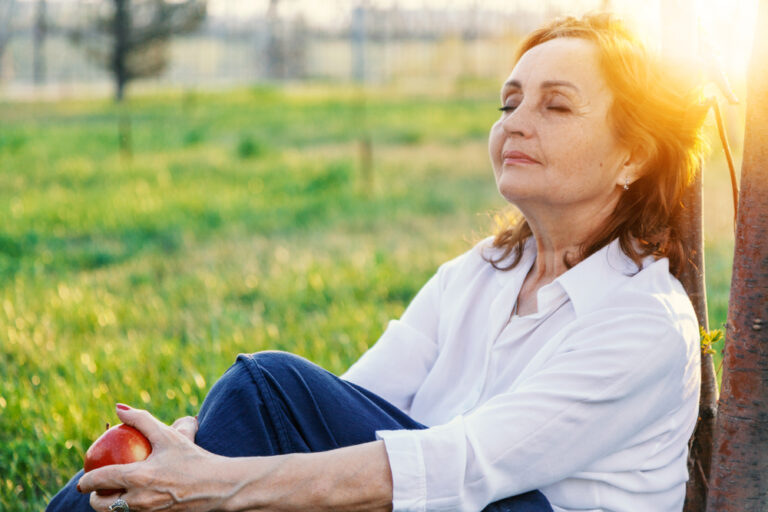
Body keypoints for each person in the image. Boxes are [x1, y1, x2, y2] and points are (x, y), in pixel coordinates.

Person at [48, 12, 706, 512]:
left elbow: (463, 464)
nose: (514, 123)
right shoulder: (482, 272)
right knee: (259, 403)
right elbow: (345, 411)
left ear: (635, 155)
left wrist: (214, 479)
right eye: (508, 102)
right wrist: (197, 450)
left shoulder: (641, 322)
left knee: (265, 388)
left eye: (555, 105)